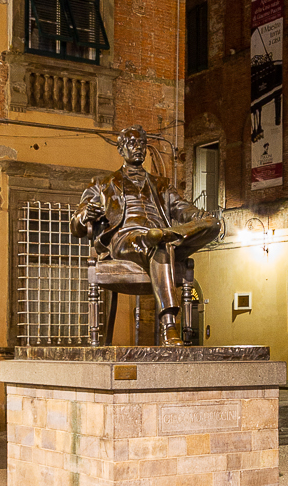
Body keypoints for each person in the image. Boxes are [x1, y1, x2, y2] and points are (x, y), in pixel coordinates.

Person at [71, 126, 223, 342]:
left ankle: (166, 234)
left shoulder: (161, 185)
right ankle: (169, 326)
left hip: (161, 239)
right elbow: (75, 226)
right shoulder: (103, 184)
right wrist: (86, 214)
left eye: (142, 143)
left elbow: (184, 209)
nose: (138, 148)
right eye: (132, 143)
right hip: (125, 238)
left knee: (211, 225)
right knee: (157, 243)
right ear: (121, 149)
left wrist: (202, 218)